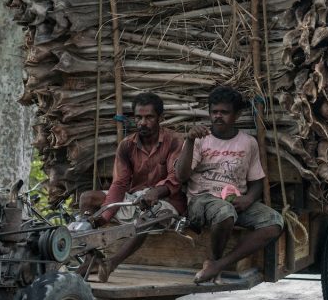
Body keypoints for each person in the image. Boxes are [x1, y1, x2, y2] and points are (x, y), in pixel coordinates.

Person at [176, 86, 283, 284]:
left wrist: (249, 199)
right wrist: (189, 141)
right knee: (224, 212)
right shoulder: (200, 140)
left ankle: (218, 264)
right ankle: (215, 264)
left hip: (233, 201)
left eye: (224, 112)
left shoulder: (248, 143)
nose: (218, 116)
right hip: (202, 200)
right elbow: (181, 176)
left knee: (274, 221)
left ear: (237, 115)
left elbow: (257, 181)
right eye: (214, 112)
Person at [79, 93, 185, 282]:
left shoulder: (175, 140)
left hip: (166, 202)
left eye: (149, 117)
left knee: (147, 215)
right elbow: (119, 183)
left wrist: (156, 192)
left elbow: (175, 178)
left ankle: (111, 263)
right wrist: (105, 216)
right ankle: (91, 259)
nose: (143, 122)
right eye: (139, 117)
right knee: (87, 198)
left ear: (160, 119)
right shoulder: (126, 145)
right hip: (135, 199)